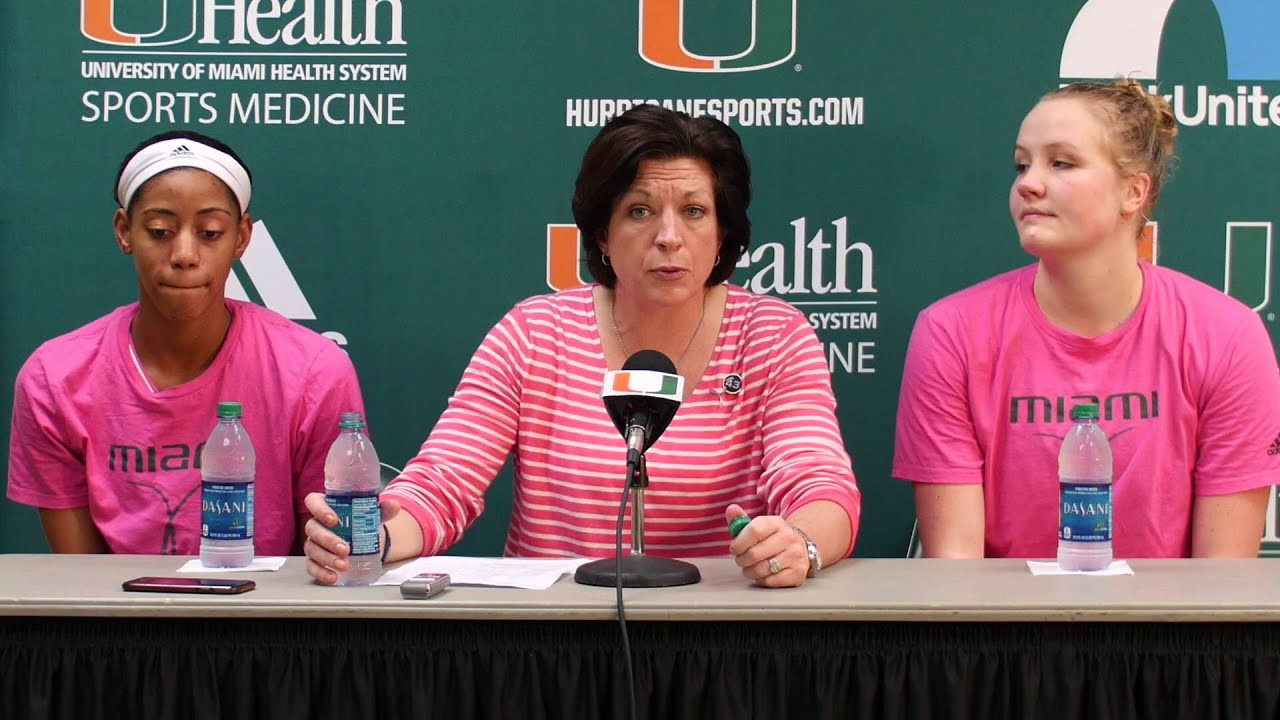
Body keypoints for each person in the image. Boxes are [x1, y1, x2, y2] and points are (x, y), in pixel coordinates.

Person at [304, 105, 860, 587]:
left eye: (693, 211)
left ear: (723, 236)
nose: (668, 236)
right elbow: (447, 480)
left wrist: (800, 545)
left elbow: (818, 481)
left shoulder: (772, 334)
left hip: (719, 637)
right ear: (601, 233)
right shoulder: (535, 332)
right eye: (639, 211)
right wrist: (370, 538)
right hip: (557, 644)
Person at [894, 80, 1280, 559]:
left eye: (1061, 162)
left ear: (1134, 191)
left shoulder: (1228, 337)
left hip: (1172, 633)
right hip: (997, 630)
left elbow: (1222, 582)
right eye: (1022, 164)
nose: (1027, 183)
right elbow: (954, 575)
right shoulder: (950, 333)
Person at [6, 130, 365, 555]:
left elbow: (327, 557)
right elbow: (82, 582)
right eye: (159, 231)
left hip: (272, 618)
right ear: (124, 231)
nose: (184, 254)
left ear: (242, 238)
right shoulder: (55, 378)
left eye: (210, 232)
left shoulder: (315, 370)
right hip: (119, 619)